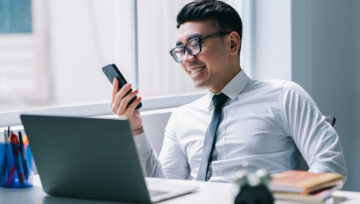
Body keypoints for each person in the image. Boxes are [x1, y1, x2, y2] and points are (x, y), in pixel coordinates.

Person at [110, 0, 347, 182]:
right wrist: (136, 128)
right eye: (181, 49)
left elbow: (330, 164)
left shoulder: (284, 96)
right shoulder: (181, 118)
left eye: (194, 44)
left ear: (232, 43)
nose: (187, 59)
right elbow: (167, 187)